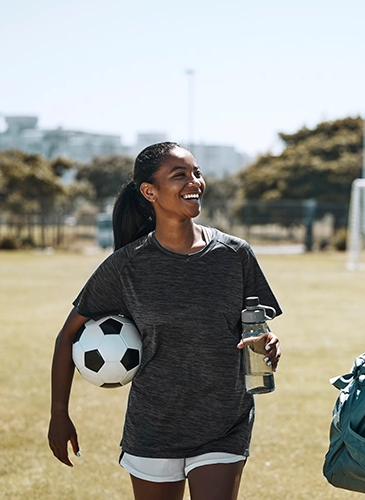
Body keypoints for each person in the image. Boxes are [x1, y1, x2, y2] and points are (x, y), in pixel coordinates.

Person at [48, 142, 282, 500]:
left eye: (197, 173)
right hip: (153, 425)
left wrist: (267, 343)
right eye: (180, 175)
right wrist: (59, 414)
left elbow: (256, 328)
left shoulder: (235, 255)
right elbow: (68, 337)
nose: (195, 182)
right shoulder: (127, 266)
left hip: (224, 421)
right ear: (149, 192)